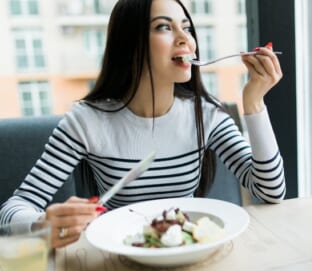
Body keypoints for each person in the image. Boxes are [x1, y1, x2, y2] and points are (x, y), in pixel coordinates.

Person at [0, 0, 285, 248]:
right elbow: (12, 209)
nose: (185, 38)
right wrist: (41, 224)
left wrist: (254, 102)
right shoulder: (86, 121)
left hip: (189, 253)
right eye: (164, 27)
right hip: (119, 261)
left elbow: (270, 191)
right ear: (130, 43)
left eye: (186, 27)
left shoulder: (207, 114)